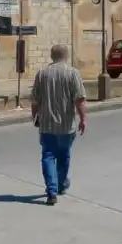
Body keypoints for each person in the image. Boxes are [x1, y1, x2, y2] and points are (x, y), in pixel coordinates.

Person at [31, 44, 87, 206]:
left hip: (47, 125)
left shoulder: (42, 74)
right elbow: (79, 100)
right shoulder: (73, 73)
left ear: (51, 56)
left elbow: (35, 101)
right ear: (66, 56)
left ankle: (51, 190)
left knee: (48, 156)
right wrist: (83, 119)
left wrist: (34, 116)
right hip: (66, 125)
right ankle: (61, 184)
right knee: (64, 155)